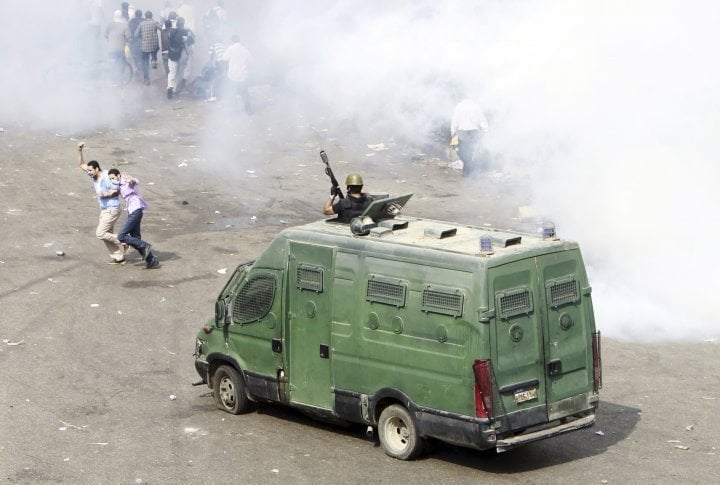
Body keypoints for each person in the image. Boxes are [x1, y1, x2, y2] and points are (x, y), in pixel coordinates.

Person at [77, 143, 126, 264]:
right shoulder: (93, 175)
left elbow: (117, 190)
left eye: (90, 171)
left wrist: (106, 194)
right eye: (88, 171)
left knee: (100, 233)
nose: (88, 173)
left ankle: (125, 241)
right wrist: (79, 151)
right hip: (104, 209)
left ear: (97, 169)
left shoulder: (107, 177)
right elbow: (81, 164)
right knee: (107, 234)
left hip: (112, 209)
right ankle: (118, 257)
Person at [107, 169, 160, 269]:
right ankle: (152, 261)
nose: (112, 180)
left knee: (121, 236)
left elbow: (135, 181)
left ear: (118, 175)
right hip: (132, 211)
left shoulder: (126, 181)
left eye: (113, 178)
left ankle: (145, 246)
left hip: (136, 210)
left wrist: (132, 179)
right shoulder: (119, 185)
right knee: (135, 237)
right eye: (110, 179)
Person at [450, 98, 489, 177]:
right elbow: (482, 120)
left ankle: (467, 172)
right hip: (474, 132)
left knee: (463, 152)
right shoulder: (476, 106)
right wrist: (486, 130)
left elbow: (455, 120)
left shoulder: (459, 106)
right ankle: (469, 171)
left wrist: (453, 132)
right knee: (470, 152)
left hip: (463, 132)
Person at [221, 35, 252, 113]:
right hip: (242, 75)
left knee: (231, 92)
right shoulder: (245, 50)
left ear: (232, 41)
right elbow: (251, 61)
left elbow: (224, 58)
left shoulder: (231, 49)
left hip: (232, 75)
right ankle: (248, 110)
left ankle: (231, 110)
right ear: (239, 40)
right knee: (244, 93)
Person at [166, 16, 194, 99]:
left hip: (172, 54)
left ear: (177, 23)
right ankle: (175, 90)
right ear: (184, 23)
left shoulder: (171, 31)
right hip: (182, 55)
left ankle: (170, 88)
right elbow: (191, 42)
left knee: (172, 72)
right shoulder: (186, 31)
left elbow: (169, 41)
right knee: (179, 72)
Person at [105, 10, 131, 84]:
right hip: (120, 49)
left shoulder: (109, 25)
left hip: (111, 49)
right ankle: (120, 79)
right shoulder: (124, 25)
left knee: (112, 63)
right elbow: (128, 37)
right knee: (122, 63)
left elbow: (105, 35)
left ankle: (113, 79)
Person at [136, 11, 161, 85]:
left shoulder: (141, 24)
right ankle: (153, 60)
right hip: (154, 45)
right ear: (151, 16)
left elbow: (136, 34)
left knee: (145, 63)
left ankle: (146, 79)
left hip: (145, 47)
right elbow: (161, 28)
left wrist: (141, 36)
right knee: (156, 49)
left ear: (145, 16)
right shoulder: (155, 22)